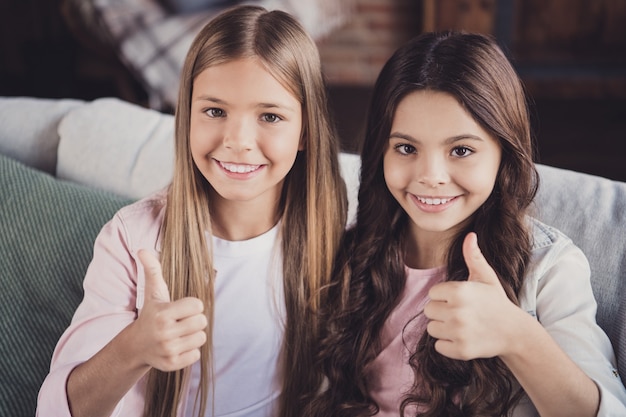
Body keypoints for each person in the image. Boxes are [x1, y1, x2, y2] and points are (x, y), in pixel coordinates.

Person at [36, 5, 347, 417]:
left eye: (270, 116)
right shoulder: (133, 239)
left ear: (305, 130)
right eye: (215, 111)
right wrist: (135, 346)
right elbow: (57, 410)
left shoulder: (337, 234)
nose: (237, 141)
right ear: (185, 118)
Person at [307, 31, 626, 416]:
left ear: (503, 154)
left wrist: (517, 336)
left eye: (461, 150)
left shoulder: (548, 267)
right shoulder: (346, 252)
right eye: (406, 148)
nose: (431, 176)